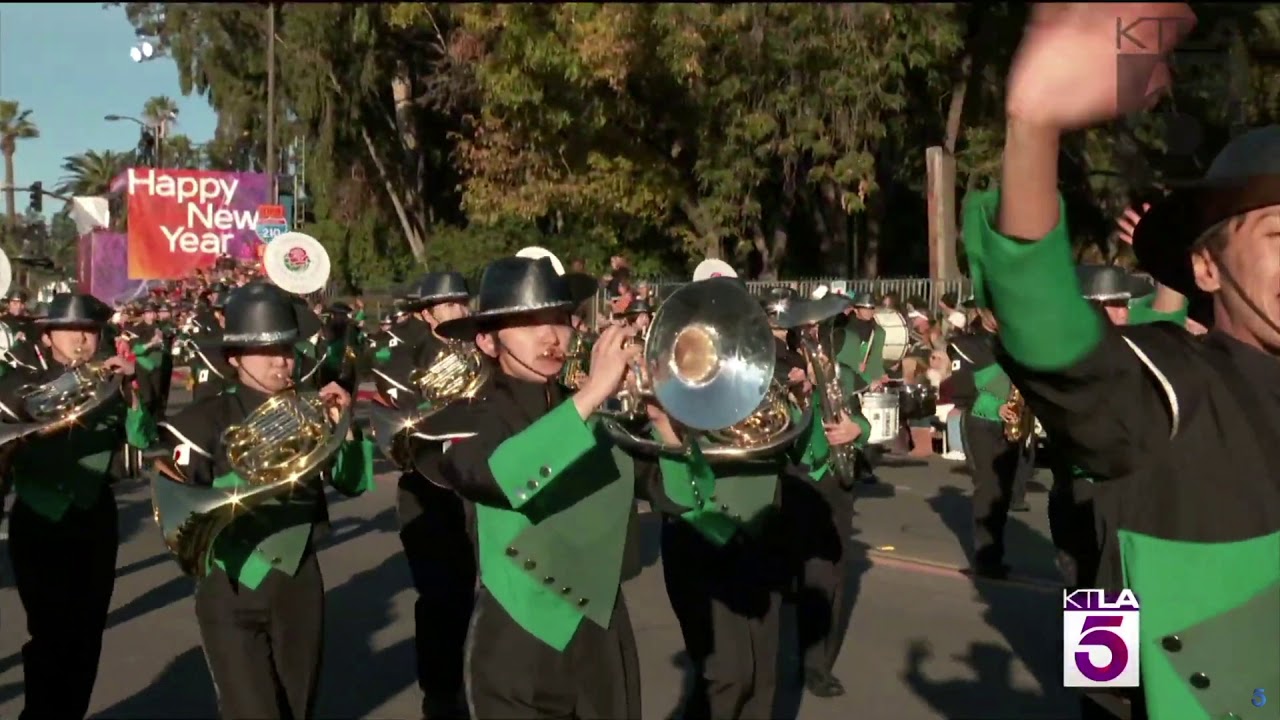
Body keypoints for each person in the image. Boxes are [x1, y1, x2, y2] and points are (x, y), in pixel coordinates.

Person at [963, 5, 1276, 718]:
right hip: (1100, 538)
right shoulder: (1169, 365)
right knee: (1099, 666)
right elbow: (1048, 329)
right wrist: (1033, 126)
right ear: (1207, 267)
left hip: (1142, 520)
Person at [429, 254, 707, 719]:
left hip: (603, 640)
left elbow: (689, 501)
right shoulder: (465, 416)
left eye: (559, 319)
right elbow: (501, 478)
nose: (549, 336)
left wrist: (666, 425)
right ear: (487, 340)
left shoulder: (603, 418)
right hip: (517, 642)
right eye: (528, 322)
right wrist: (593, 392)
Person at [154, 282, 374, 720]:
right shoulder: (203, 418)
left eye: (287, 350)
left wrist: (345, 427)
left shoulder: (311, 410)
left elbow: (352, 484)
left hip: (298, 578)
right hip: (230, 581)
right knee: (250, 710)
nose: (281, 361)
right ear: (235, 358)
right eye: (265, 350)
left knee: (297, 707)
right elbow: (178, 497)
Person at [0, 293, 156, 720]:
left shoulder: (111, 383)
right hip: (40, 515)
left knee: (86, 637)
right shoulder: (20, 380)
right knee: (49, 635)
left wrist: (134, 394)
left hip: (95, 516)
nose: (82, 341)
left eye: (90, 332)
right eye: (71, 331)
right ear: (48, 336)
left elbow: (142, 444)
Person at [773, 291, 870, 700]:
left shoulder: (843, 374)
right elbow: (775, 431)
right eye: (808, 329)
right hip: (796, 479)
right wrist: (795, 396)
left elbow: (862, 414)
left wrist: (856, 431)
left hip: (833, 481)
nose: (815, 334)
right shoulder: (780, 374)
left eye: (821, 327)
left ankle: (817, 666)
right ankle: (782, 658)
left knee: (828, 576)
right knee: (790, 578)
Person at [948, 299, 1032, 580]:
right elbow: (962, 395)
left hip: (1011, 423)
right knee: (988, 488)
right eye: (994, 311)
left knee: (1004, 491)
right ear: (982, 312)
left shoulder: (1016, 344)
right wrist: (995, 406)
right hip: (982, 424)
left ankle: (995, 551)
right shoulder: (965, 345)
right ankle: (986, 557)